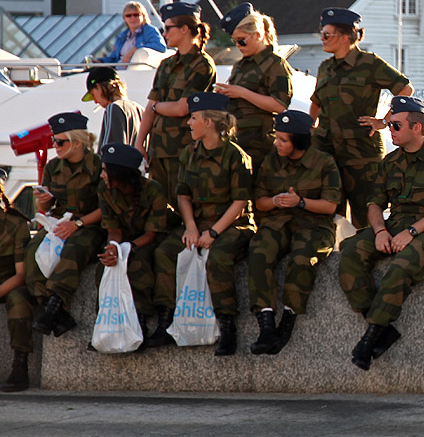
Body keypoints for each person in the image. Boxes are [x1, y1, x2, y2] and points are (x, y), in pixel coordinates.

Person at [338, 97, 424, 371]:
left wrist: (413, 231)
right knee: (351, 251)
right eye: (390, 124)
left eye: (395, 125)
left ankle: (369, 339)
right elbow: (374, 203)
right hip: (395, 224)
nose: (389, 129)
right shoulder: (390, 161)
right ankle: (381, 327)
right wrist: (380, 231)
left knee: (402, 266)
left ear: (417, 127)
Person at [153, 92, 255, 356]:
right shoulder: (189, 153)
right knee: (165, 252)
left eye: (194, 118)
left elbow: (240, 202)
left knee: (219, 257)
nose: (189, 123)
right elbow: (183, 195)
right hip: (198, 223)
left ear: (209, 122)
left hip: (232, 225)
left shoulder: (235, 156)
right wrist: (191, 227)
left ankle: (227, 326)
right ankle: (166, 321)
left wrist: (214, 232)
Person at [247, 110, 341, 355]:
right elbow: (259, 202)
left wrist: (300, 202)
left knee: (302, 260)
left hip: (314, 225)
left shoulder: (324, 162)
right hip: (278, 223)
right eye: (276, 138)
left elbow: (330, 206)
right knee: (259, 252)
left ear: (298, 141)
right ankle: (266, 324)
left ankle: (287, 321)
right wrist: (275, 201)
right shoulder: (271, 161)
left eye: (283, 140)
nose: (277, 143)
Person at [311, 7, 413, 229]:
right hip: (327, 152)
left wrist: (383, 122)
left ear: (345, 37)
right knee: (330, 217)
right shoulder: (325, 68)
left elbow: (405, 90)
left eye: (327, 34)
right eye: (321, 34)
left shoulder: (370, 64)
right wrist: (311, 130)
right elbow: (316, 103)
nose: (322, 39)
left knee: (366, 216)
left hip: (361, 153)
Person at [27, 112, 107, 338]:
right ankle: (53, 310)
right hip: (59, 222)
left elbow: (106, 207)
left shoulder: (98, 166)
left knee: (74, 249)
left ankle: (56, 303)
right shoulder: (53, 167)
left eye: (60, 142)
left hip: (90, 224)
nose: (55, 146)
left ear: (78, 142)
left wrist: (78, 224)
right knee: (33, 250)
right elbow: (46, 208)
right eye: (54, 141)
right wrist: (43, 201)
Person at [95, 143, 175, 349]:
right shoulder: (104, 189)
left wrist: (126, 248)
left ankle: (140, 322)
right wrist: (113, 247)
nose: (102, 175)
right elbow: (113, 229)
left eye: (105, 170)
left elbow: (151, 234)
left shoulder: (153, 190)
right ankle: (105, 325)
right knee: (103, 266)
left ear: (119, 173)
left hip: (151, 238)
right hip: (125, 238)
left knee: (139, 262)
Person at [135, 2, 217, 201]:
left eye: (168, 28)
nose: (164, 34)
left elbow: (182, 108)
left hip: (183, 150)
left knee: (182, 203)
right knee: (159, 205)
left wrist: (157, 106)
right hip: (158, 150)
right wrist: (139, 142)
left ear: (184, 29)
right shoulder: (166, 65)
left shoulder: (202, 65)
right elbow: (150, 106)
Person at [214, 3, 293, 163]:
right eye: (235, 41)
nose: (238, 46)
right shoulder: (241, 65)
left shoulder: (275, 64)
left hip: (259, 144)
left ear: (257, 35)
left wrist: (242, 93)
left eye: (242, 41)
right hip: (236, 140)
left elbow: (279, 105)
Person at [0, 178, 33, 391]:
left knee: (19, 300)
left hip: (8, 283)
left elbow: (21, 275)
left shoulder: (15, 224)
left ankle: (20, 367)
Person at [82, 67, 144, 151]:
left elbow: (110, 151)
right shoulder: (140, 109)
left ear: (98, 87)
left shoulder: (113, 108)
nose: (95, 102)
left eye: (93, 95)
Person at [99, 1, 167, 64]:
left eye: (136, 15)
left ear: (143, 16)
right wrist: (100, 61)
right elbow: (113, 58)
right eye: (128, 15)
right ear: (124, 18)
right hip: (119, 69)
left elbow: (160, 47)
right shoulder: (122, 36)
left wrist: (136, 49)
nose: (133, 18)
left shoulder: (149, 30)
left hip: (137, 71)